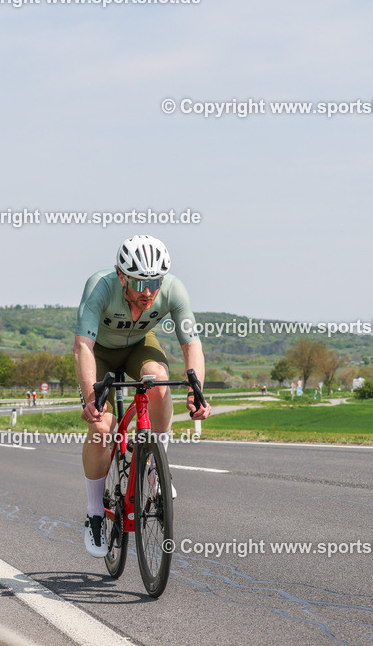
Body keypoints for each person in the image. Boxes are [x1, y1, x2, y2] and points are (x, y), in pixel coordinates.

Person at [74, 235, 211, 558]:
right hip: (101, 354)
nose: (147, 292)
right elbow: (83, 346)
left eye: (154, 282)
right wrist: (91, 397)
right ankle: (95, 512)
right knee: (103, 427)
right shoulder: (100, 287)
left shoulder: (173, 290)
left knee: (160, 380)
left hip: (138, 346)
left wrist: (197, 391)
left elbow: (192, 345)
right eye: (138, 282)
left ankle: (155, 466)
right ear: (122, 275)